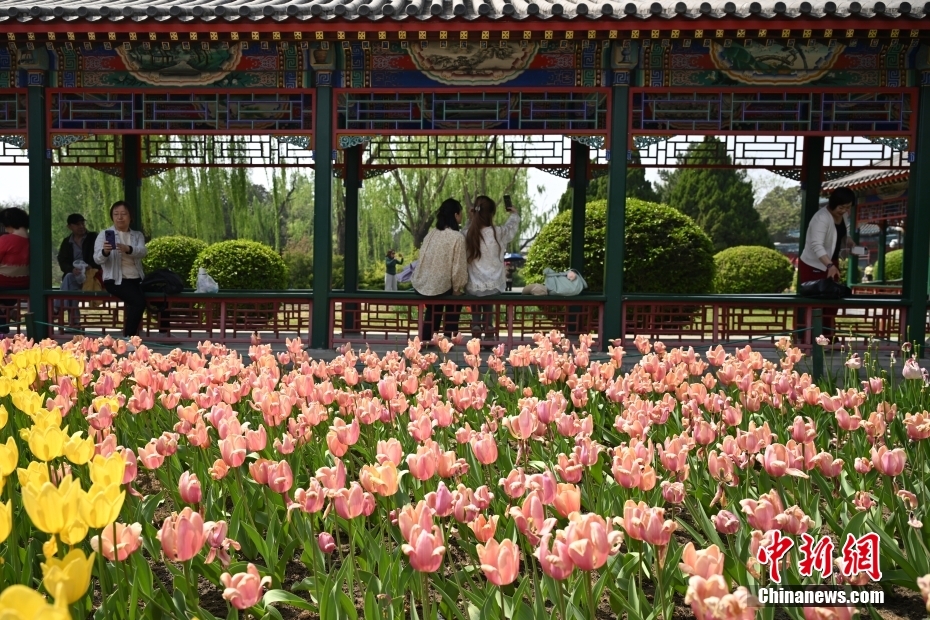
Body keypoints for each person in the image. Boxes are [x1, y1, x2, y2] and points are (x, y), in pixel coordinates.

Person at [798, 186, 857, 339]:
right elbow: (816, 245)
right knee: (816, 303)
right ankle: (810, 338)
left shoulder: (843, 216)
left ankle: (828, 336)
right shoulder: (821, 218)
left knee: (832, 302)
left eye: (848, 207)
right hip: (814, 264)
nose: (844, 210)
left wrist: (849, 241)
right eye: (841, 207)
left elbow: (843, 232)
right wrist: (829, 265)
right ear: (833, 203)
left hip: (832, 262)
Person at [464, 195, 521, 340]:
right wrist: (514, 214)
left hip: (473, 285)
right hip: (493, 284)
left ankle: (476, 326)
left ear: (475, 211)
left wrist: (470, 220)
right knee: (488, 304)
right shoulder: (497, 232)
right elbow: (510, 228)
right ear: (491, 214)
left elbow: (462, 234)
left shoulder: (468, 233)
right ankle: (488, 327)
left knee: (476, 301)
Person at [412, 198, 468, 343]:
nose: (462, 216)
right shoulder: (457, 237)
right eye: (461, 213)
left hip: (423, 283)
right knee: (455, 298)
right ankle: (448, 337)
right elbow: (458, 267)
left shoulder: (431, 234)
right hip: (442, 285)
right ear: (455, 215)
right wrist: (458, 287)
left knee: (433, 306)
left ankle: (427, 337)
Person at [94, 201, 148, 338]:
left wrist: (128, 249)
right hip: (116, 280)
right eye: (116, 214)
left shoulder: (137, 235)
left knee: (160, 294)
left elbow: (143, 252)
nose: (120, 217)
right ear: (112, 217)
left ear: (130, 217)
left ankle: (164, 331)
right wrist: (105, 252)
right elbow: (97, 259)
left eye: (124, 214)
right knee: (138, 302)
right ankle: (129, 338)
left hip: (136, 279)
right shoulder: (104, 235)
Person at [55, 213, 100, 325]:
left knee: (69, 281)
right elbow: (62, 260)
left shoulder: (93, 237)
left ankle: (57, 308)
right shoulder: (67, 242)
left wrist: (90, 266)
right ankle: (74, 322)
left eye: (82, 223)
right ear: (69, 227)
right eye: (77, 224)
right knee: (71, 284)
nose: (81, 226)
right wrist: (71, 269)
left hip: (91, 275)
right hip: (75, 275)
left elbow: (101, 256)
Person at [0, 207, 29, 335]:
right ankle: (6, 311)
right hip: (24, 283)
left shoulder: (6, 240)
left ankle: (3, 316)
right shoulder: (32, 241)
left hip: (4, 282)